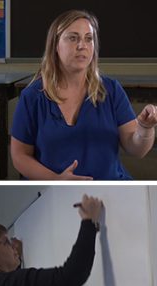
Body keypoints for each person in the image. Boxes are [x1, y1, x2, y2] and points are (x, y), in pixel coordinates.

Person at [11, 10, 157, 180]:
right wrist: (56, 180)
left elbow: (137, 149)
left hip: (109, 187)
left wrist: (145, 128)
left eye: (89, 38)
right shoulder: (33, 97)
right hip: (56, 191)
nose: (82, 45)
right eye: (73, 38)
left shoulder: (111, 90)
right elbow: (20, 156)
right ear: (55, 45)